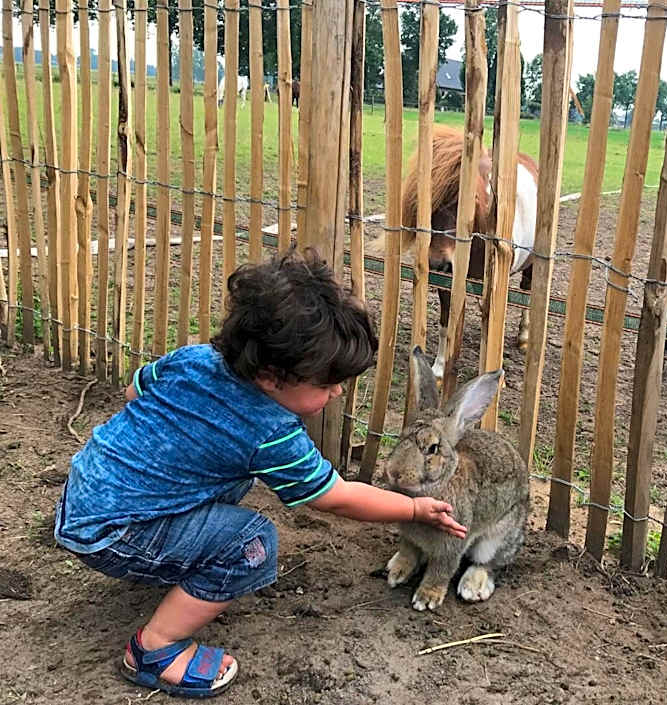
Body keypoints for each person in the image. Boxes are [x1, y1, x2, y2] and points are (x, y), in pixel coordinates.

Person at [53, 247, 467, 698]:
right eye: (326, 384)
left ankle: (169, 558)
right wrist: (412, 506)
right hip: (118, 532)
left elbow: (135, 392)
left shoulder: (192, 359)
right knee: (251, 544)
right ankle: (155, 648)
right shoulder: (268, 430)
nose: (336, 393)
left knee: (222, 479)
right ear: (273, 376)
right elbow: (334, 496)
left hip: (83, 496)